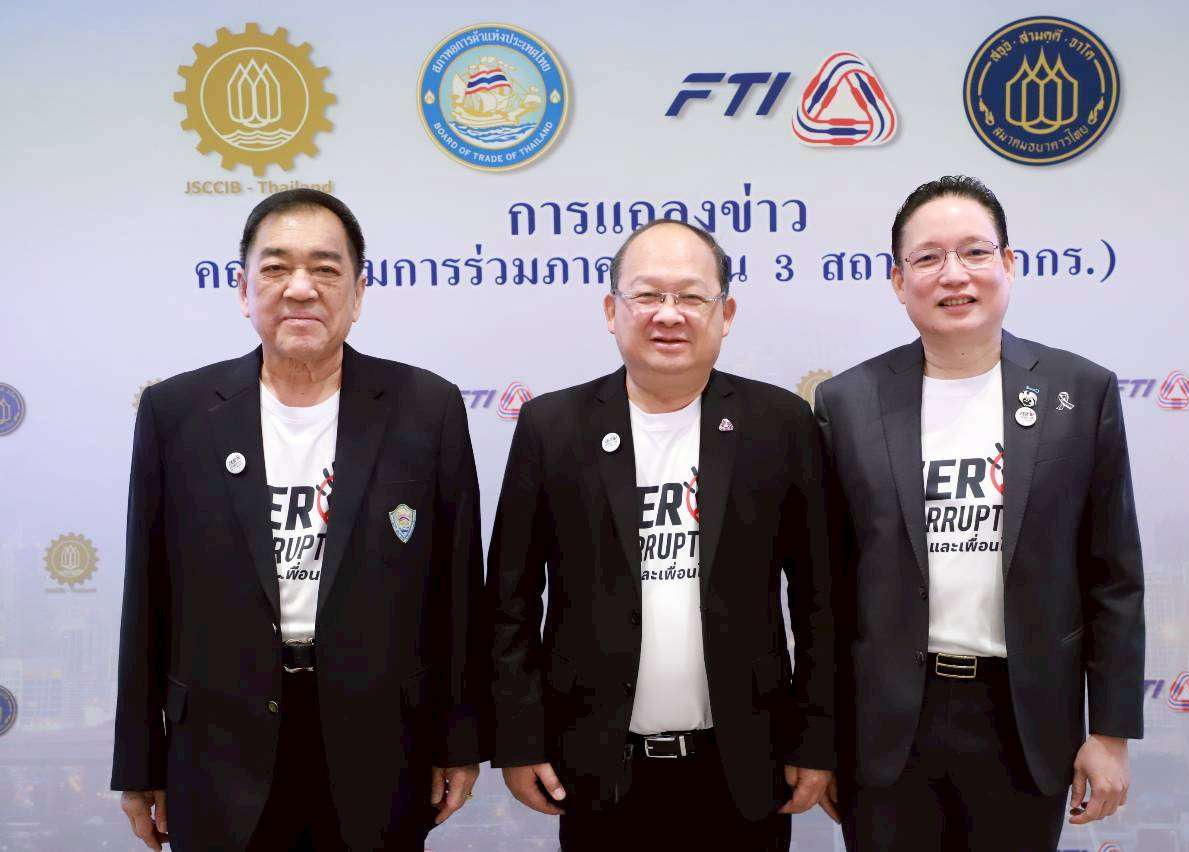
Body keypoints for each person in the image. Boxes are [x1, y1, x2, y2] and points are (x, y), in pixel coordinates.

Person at [110, 189, 488, 850]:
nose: (301, 288)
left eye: (325, 268)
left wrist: (460, 741)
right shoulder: (177, 414)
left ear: (359, 291)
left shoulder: (426, 408)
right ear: (243, 288)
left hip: (380, 748)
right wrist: (139, 764)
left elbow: (456, 593)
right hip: (218, 751)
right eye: (276, 268)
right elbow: (147, 599)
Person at [815, 175, 1145, 850]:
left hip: (1025, 722)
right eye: (928, 258)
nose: (954, 275)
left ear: (1009, 263)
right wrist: (819, 739)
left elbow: (1114, 577)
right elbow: (828, 594)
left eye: (974, 252)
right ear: (898, 280)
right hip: (887, 728)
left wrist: (1110, 733)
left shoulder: (1079, 393)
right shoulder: (848, 403)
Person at [487, 219, 835, 851]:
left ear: (726, 313)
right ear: (611, 310)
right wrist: (519, 737)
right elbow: (510, 600)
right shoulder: (552, 428)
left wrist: (817, 737)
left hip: (745, 763)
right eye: (647, 295)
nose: (668, 314)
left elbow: (820, 598)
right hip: (596, 764)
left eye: (691, 296)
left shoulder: (779, 425)